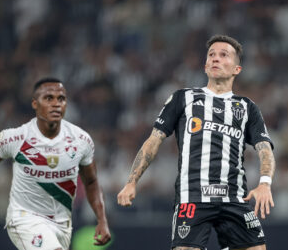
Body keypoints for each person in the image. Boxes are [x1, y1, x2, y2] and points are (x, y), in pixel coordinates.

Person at [117, 35, 276, 250]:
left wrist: (265, 183)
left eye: (223, 55)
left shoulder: (247, 107)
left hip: (235, 199)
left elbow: (264, 148)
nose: (215, 59)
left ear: (237, 69)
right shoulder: (183, 98)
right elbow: (154, 140)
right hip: (192, 197)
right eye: (211, 55)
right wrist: (132, 181)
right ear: (205, 65)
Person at [0, 78, 111, 250]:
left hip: (62, 224)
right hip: (25, 219)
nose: (56, 104)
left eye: (61, 99)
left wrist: (102, 219)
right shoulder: (17, 137)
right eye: (49, 98)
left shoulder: (81, 140)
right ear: (35, 103)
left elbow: (91, 182)